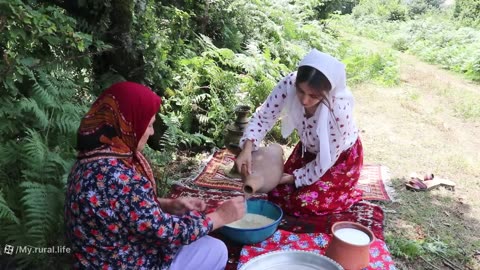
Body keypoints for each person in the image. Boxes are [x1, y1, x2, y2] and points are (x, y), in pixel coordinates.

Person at [65, 81, 245, 270]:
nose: (151, 132)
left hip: (100, 258)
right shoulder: (119, 177)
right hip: (122, 262)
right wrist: (219, 217)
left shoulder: (89, 160)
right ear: (128, 124)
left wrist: (165, 205)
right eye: (149, 125)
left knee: (207, 245)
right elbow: (167, 232)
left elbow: (119, 207)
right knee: (216, 250)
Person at [235, 49, 363, 217]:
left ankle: (344, 191)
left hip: (339, 159)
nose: (304, 100)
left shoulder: (337, 110)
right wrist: (247, 148)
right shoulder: (290, 83)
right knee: (277, 194)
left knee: (304, 203)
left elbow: (328, 158)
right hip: (308, 149)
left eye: (313, 96)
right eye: (301, 91)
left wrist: (292, 178)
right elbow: (264, 116)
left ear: (327, 93)